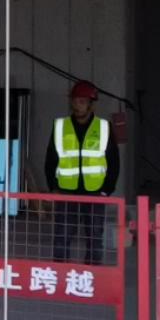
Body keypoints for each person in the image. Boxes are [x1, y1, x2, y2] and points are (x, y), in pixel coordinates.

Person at [47, 79, 119, 264]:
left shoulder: (104, 127)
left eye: (82, 102)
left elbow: (113, 162)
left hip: (95, 192)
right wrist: (53, 188)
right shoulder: (60, 126)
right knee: (62, 238)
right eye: (75, 101)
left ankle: (92, 274)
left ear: (91, 104)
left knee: (94, 239)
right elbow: (51, 160)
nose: (77, 105)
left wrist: (106, 190)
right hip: (66, 192)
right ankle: (61, 274)